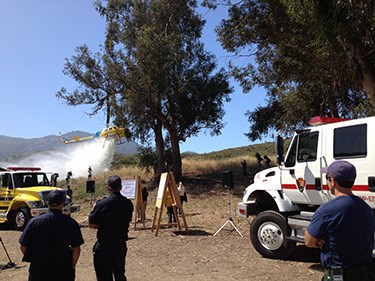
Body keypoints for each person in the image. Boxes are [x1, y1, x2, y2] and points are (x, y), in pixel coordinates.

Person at [304, 160, 375, 281]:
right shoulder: (366, 208)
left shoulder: (327, 210)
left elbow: (309, 241)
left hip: (340, 275)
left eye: (327, 177)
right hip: (365, 273)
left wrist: (320, 240)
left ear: (333, 181)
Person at [19, 189, 84, 281]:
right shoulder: (71, 223)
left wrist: (35, 260)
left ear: (47, 202)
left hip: (39, 269)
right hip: (63, 269)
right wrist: (72, 266)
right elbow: (76, 248)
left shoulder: (34, 222)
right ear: (62, 203)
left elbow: (23, 246)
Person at [89, 175, 134, 281]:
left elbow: (91, 224)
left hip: (104, 245)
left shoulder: (102, 204)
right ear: (121, 187)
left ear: (108, 188)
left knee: (104, 276)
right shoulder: (128, 204)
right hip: (120, 244)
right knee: (119, 274)